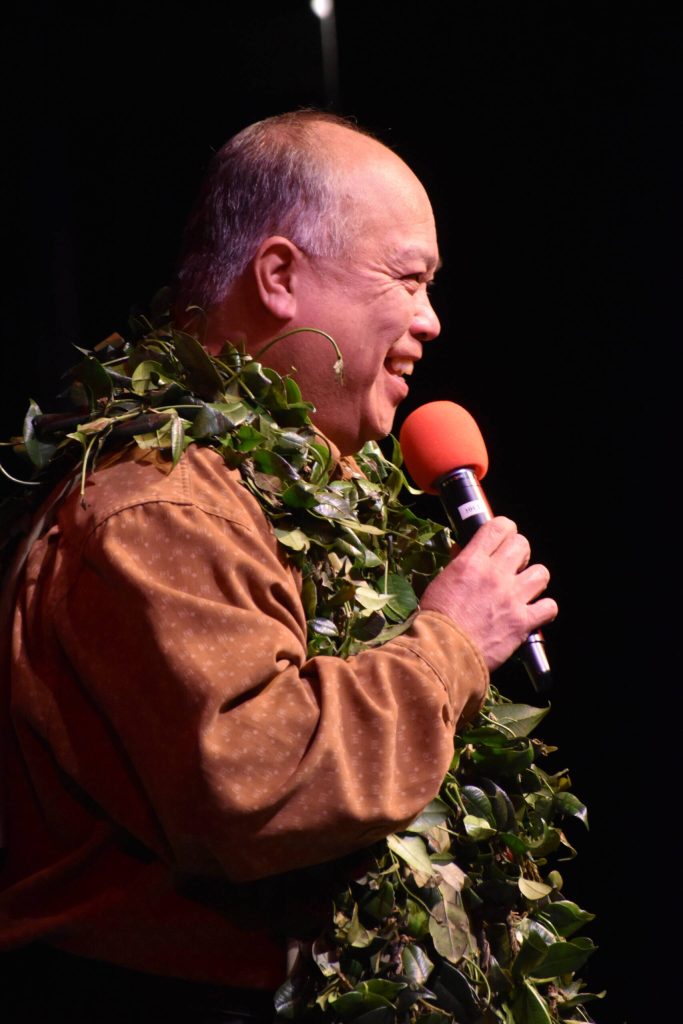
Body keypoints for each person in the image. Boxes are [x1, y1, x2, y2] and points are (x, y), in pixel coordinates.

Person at [0, 112, 556, 1021]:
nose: (430, 318)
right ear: (280, 277)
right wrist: (451, 642)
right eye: (407, 280)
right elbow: (256, 785)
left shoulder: (282, 493)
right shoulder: (162, 506)